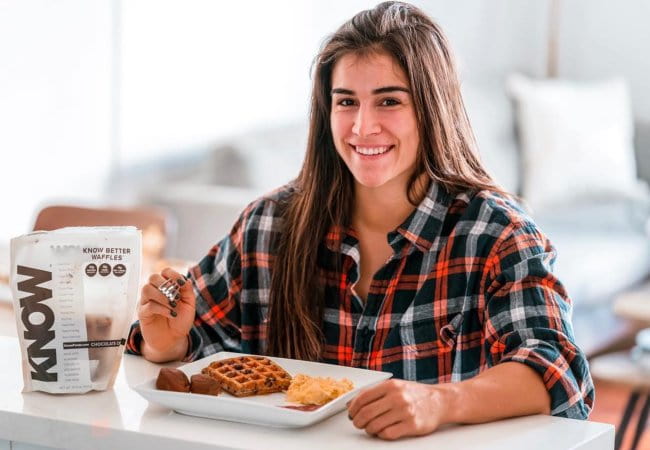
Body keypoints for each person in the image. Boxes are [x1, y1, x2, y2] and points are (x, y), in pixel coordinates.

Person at [126, 1, 594, 440]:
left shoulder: (496, 234)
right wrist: (166, 344)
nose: (362, 127)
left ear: (432, 109)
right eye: (346, 101)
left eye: (389, 101)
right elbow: (192, 344)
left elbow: (557, 373)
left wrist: (440, 402)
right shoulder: (268, 225)